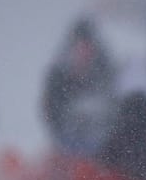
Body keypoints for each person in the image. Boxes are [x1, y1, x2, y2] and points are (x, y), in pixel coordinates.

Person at [40, 19, 117, 159]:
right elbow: (50, 110)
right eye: (79, 47)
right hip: (67, 142)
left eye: (87, 47)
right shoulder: (58, 76)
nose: (83, 53)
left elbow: (114, 106)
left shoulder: (106, 72)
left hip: (101, 144)